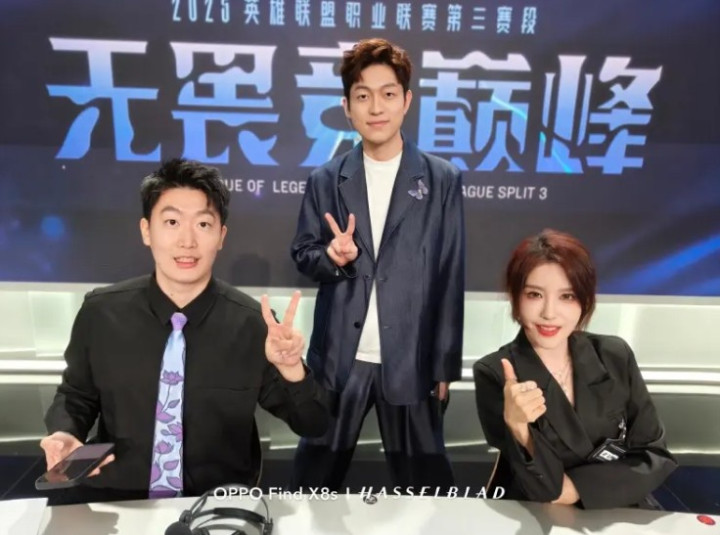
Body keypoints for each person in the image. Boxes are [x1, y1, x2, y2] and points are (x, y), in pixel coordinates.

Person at [41, 158, 329, 502]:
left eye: (203, 224)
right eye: (172, 222)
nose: (187, 241)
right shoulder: (101, 312)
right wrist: (65, 433)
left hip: (216, 504)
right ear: (146, 230)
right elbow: (76, 395)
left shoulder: (254, 324)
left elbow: (314, 424)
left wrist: (292, 370)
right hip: (118, 499)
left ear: (221, 236)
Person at [290, 38, 465, 491]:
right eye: (363, 95)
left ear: (406, 100)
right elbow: (304, 253)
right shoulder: (326, 179)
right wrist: (332, 257)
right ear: (347, 107)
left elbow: (449, 273)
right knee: (312, 483)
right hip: (339, 359)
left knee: (427, 489)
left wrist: (444, 365)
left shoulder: (441, 179)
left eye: (388, 94)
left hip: (412, 359)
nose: (376, 107)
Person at [473, 229, 677, 509]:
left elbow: (655, 456)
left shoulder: (614, 354)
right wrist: (519, 428)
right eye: (534, 294)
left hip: (622, 505)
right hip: (543, 514)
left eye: (567, 296)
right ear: (516, 298)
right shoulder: (495, 373)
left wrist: (578, 489)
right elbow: (546, 488)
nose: (549, 313)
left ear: (584, 300)